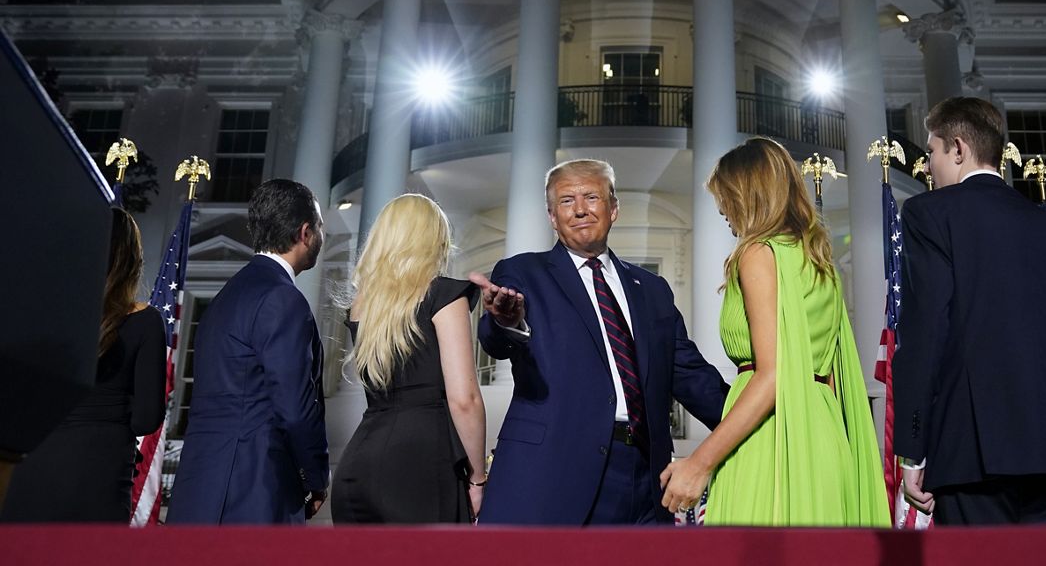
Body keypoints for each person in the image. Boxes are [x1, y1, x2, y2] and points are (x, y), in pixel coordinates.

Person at [471, 158, 729, 524]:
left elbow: (689, 375)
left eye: (591, 197)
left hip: (645, 475)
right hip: (554, 472)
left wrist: (754, 418)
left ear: (614, 208)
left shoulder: (652, 289)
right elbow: (496, 341)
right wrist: (507, 322)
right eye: (565, 201)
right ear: (551, 216)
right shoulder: (523, 271)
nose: (579, 210)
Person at [659, 138, 890, 527]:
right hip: (823, 435)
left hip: (771, 438)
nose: (721, 211)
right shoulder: (819, 261)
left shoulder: (756, 254)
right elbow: (831, 376)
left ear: (746, 195)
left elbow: (772, 375)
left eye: (726, 198)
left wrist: (699, 462)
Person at [893, 96, 1046, 525]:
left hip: (973, 455)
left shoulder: (928, 213)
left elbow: (927, 330)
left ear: (958, 149)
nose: (928, 165)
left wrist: (913, 445)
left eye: (931, 151)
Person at [167, 179, 329, 524]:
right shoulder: (282, 299)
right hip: (253, 489)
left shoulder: (225, 297)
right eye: (320, 226)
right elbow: (296, 407)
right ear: (305, 233)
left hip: (199, 484)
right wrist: (315, 478)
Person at [1, 207, 165, 523]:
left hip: (33, 462)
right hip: (100, 472)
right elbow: (146, 418)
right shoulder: (145, 322)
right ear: (132, 259)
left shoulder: (41, 312)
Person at [330, 194, 485, 523]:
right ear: (435, 240)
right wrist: (478, 480)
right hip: (423, 464)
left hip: (359, 462)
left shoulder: (361, 305)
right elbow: (465, 400)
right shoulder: (443, 295)